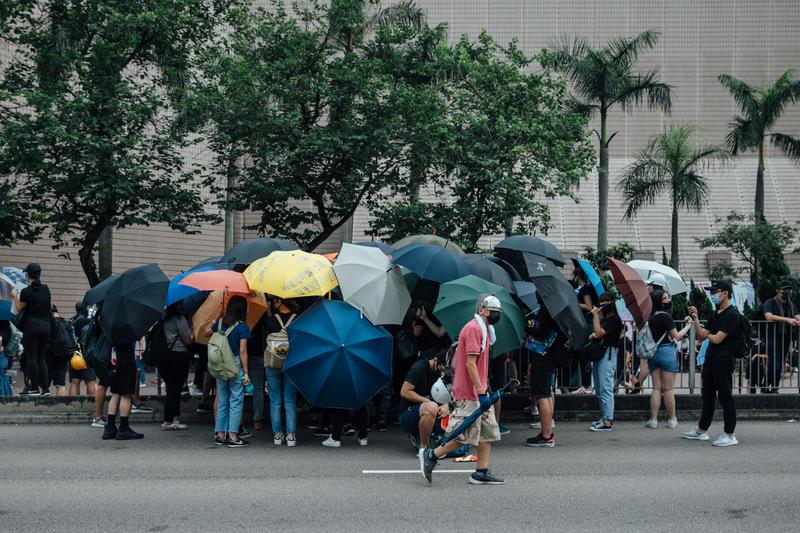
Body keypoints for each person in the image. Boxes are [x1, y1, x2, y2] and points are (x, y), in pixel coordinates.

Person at [423, 295, 504, 485]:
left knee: (487, 432)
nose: (496, 316)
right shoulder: (474, 329)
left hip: (478, 389)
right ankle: (432, 455)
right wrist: (481, 392)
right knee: (462, 434)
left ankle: (480, 472)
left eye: (498, 313)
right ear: (482, 310)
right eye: (494, 312)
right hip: (471, 391)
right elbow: (470, 363)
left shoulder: (484, 329)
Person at [682, 280, 740, 447]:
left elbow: (716, 338)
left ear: (726, 293)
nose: (712, 294)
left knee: (725, 397)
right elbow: (701, 335)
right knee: (707, 397)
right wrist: (696, 318)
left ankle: (730, 434)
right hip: (711, 359)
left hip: (724, 360)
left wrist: (709, 334)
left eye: (716, 291)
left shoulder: (732, 315)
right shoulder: (716, 314)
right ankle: (701, 430)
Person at [644, 290, 692, 429]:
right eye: (665, 298)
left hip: (654, 353)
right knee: (668, 389)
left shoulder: (650, 317)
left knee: (656, 388)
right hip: (667, 352)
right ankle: (672, 419)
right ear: (659, 301)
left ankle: (653, 420)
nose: (668, 299)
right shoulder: (666, 317)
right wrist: (688, 325)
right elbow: (676, 336)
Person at [208, 295, 251, 448]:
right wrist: (246, 373)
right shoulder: (242, 327)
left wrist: (218, 316)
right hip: (235, 364)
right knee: (236, 399)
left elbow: (207, 332)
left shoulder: (219, 323)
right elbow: (243, 351)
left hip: (220, 364)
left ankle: (220, 434)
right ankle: (233, 435)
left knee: (222, 399)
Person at [525, 301, 567, 448]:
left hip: (543, 356)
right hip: (551, 356)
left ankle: (546, 435)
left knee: (542, 394)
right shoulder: (557, 308)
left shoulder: (546, 309)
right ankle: (546, 432)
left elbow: (540, 331)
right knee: (547, 393)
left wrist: (529, 326)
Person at [12, 263, 52, 395]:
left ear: (28, 274)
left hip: (32, 326)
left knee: (32, 358)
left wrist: (14, 296)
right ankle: (45, 389)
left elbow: (18, 308)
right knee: (42, 358)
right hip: (46, 326)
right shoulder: (46, 289)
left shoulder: (26, 292)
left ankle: (34, 387)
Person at [398, 350, 449, 455]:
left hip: (435, 412)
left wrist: (446, 405)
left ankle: (436, 438)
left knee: (457, 408)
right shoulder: (420, 367)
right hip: (408, 414)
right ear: (435, 360)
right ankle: (423, 450)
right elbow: (404, 391)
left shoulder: (445, 373)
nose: (442, 371)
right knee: (431, 407)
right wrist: (426, 400)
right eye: (441, 367)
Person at [265, 297, 299, 446]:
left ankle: (277, 435)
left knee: (275, 399)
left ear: (278, 301)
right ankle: (291, 435)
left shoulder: (270, 320)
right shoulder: (298, 319)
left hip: (273, 363)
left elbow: (263, 340)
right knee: (290, 400)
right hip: (291, 363)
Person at [588, 292, 624, 432]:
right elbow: (596, 333)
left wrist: (596, 316)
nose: (602, 304)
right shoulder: (607, 319)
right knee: (599, 387)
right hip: (601, 354)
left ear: (612, 302)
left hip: (608, 355)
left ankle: (608, 420)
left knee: (605, 388)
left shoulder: (614, 319)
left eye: (606, 301)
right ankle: (604, 417)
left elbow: (598, 333)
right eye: (601, 302)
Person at [158, 302, 194, 430]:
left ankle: (173, 417)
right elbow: (188, 340)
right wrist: (193, 332)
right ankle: (169, 420)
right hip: (178, 356)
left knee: (171, 388)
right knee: (175, 389)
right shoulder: (179, 319)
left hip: (164, 356)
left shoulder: (163, 318)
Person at [101, 341, 144, 440]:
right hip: (126, 360)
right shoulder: (127, 327)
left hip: (114, 360)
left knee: (115, 394)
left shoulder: (110, 327)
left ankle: (110, 427)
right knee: (126, 394)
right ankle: (123, 428)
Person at [762, 280, 799, 393]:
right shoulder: (770, 302)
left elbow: (797, 315)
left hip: (786, 338)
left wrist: (798, 320)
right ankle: (765, 387)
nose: (787, 292)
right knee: (774, 364)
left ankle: (774, 388)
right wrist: (787, 320)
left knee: (780, 365)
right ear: (778, 290)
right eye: (784, 289)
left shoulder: (790, 304)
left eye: (788, 289)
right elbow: (768, 316)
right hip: (773, 337)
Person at [69, 303, 96, 396]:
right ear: (85, 310)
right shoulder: (87, 322)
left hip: (74, 354)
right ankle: (92, 404)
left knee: (74, 381)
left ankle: (73, 404)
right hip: (86, 354)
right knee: (90, 380)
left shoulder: (71, 321)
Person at [45, 305, 70, 397]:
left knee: (43, 384)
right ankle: (62, 406)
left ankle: (41, 407)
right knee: (60, 384)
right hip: (63, 356)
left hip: (48, 356)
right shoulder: (65, 323)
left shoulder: (47, 323)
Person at [0, 319, 23, 396]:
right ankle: (7, 398)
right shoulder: (7, 324)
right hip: (6, 354)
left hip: (2, 354)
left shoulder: (2, 325)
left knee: (2, 379)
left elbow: (0, 340)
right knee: (4, 377)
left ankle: (3, 398)